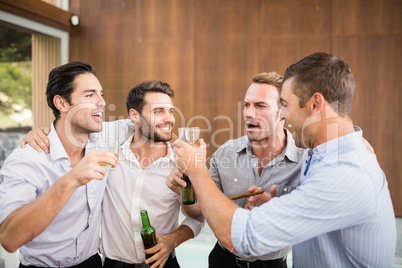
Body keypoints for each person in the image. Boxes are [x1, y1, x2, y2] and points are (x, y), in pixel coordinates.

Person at [171, 52, 396, 267]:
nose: (285, 116)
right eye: (246, 105)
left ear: (315, 104)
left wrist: (196, 170)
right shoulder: (325, 157)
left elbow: (242, 235)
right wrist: (278, 208)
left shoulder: (341, 173)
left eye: (286, 105)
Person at [21, 80, 204, 268]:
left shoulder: (181, 163)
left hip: (164, 263)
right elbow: (70, 130)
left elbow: (197, 217)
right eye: (158, 111)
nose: (169, 119)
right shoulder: (108, 151)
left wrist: (171, 241)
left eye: (171, 111)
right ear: (134, 115)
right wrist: (41, 134)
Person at [0, 61, 117, 267]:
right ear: (62, 104)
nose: (102, 102)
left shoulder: (104, 138)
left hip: (91, 263)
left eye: (101, 94)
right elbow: (9, 238)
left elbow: (145, 123)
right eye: (90, 95)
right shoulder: (27, 159)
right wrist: (71, 179)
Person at [207, 72, 306, 268]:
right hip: (223, 261)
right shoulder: (224, 154)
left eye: (260, 106)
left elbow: (310, 224)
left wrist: (275, 212)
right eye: (246, 105)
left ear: (283, 112)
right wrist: (185, 189)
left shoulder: (306, 162)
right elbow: (200, 212)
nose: (249, 113)